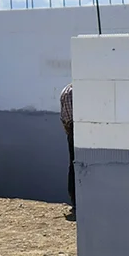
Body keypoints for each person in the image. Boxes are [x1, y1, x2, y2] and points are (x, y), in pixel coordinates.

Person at [59, 82, 75, 220]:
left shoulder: (66, 90)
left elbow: (64, 118)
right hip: (77, 130)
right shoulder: (73, 92)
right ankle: (76, 199)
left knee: (73, 165)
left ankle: (74, 199)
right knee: (77, 166)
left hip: (71, 131)